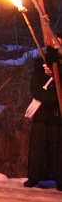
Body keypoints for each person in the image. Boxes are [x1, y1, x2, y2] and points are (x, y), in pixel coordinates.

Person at [25, 43, 62, 191]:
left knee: (58, 148)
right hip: (43, 112)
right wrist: (48, 99)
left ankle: (60, 179)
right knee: (39, 147)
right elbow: (35, 86)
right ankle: (35, 176)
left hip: (59, 113)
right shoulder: (40, 62)